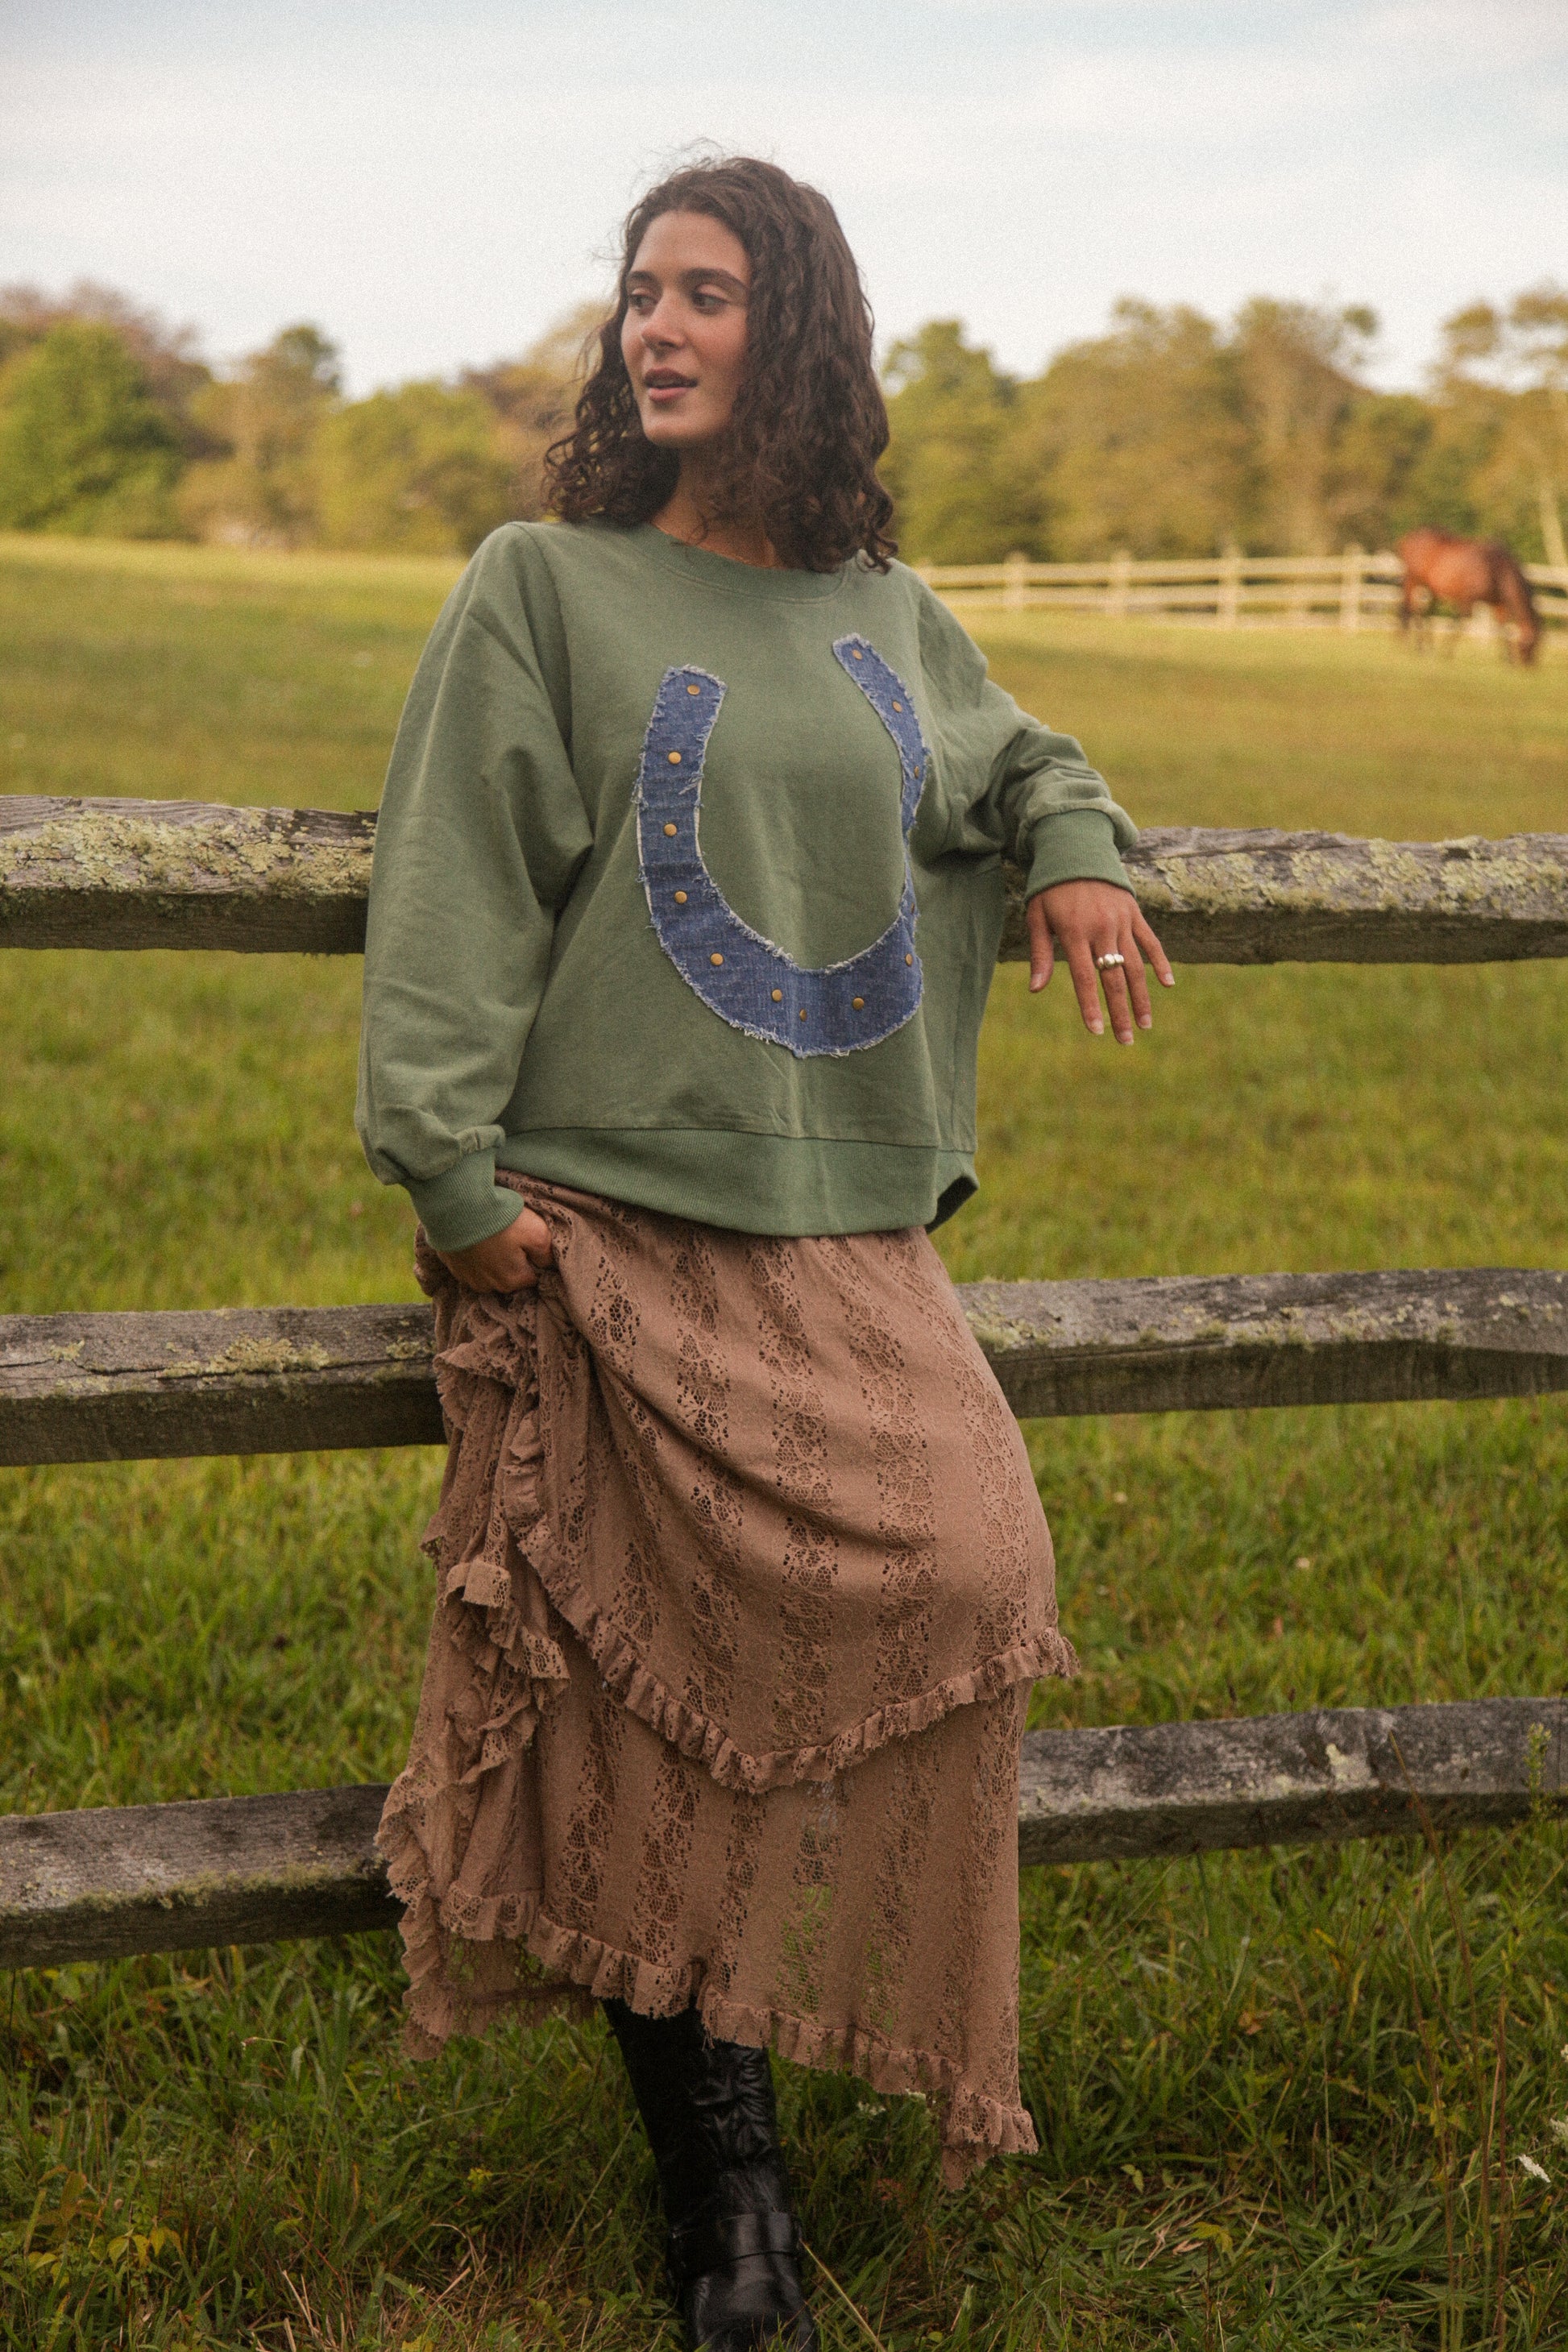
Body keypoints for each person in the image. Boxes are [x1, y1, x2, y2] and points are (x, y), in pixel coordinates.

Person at [356, 155, 1171, 2352]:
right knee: (639, 1687)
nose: (657, 324)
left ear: (793, 326)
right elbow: (453, 875)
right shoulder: (543, 584)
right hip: (602, 1225)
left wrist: (1073, 846)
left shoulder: (879, 610)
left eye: (707, 292)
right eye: (641, 291)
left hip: (844, 1219)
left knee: (975, 1565)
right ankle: (725, 2186)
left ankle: (795, 2027)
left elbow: (1010, 752)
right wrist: (448, 1180)